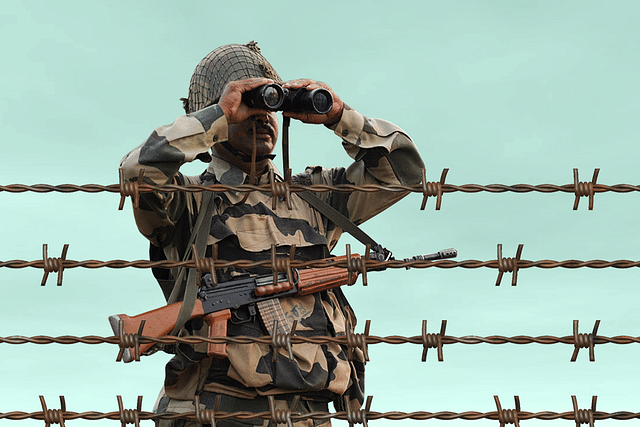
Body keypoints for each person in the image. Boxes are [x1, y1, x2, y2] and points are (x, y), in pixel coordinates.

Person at [119, 42, 425, 427]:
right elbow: (136, 173)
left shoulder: (314, 197)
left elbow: (405, 171)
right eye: (251, 105)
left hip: (308, 413)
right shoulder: (189, 201)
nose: (263, 116)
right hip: (213, 410)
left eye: (272, 106)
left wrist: (339, 116)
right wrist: (218, 115)